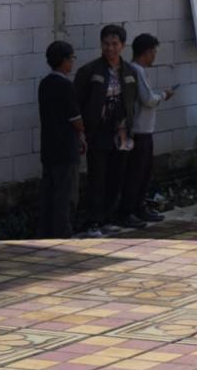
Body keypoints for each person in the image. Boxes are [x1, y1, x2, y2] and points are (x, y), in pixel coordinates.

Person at [74, 24, 142, 235]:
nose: (110, 48)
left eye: (114, 44)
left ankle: (107, 218)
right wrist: (82, 132)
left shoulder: (130, 71)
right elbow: (77, 103)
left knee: (116, 176)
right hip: (98, 133)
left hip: (122, 132)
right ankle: (93, 221)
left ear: (123, 45)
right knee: (97, 177)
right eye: (106, 44)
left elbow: (133, 100)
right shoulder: (89, 71)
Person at [121, 33, 175, 223]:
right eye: (154, 52)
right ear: (147, 52)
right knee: (137, 173)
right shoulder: (137, 70)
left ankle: (139, 207)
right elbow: (148, 99)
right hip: (139, 130)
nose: (154, 56)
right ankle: (129, 210)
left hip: (142, 129)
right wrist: (163, 95)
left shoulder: (134, 69)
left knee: (143, 172)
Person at [37, 41, 86, 239]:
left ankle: (45, 232)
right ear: (64, 60)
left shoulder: (44, 83)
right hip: (66, 148)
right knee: (66, 195)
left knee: (49, 193)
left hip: (48, 146)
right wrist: (83, 133)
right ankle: (62, 234)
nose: (73, 62)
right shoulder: (65, 85)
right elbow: (75, 119)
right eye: (71, 58)